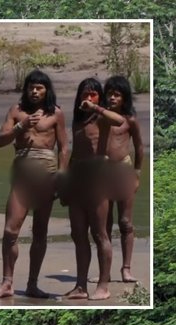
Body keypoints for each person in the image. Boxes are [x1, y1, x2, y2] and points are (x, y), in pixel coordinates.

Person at [0, 70, 68, 299]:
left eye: (39, 88)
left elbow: (63, 147)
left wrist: (63, 177)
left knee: (40, 232)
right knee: (10, 230)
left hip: (47, 176)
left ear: (46, 90)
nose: (35, 91)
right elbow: (0, 141)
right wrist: (20, 127)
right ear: (26, 89)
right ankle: (7, 283)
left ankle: (32, 284)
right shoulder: (16, 111)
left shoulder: (56, 113)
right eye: (31, 87)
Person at [64, 77, 126, 301]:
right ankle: (81, 286)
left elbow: (119, 120)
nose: (88, 98)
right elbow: (74, 152)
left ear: (99, 96)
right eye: (85, 95)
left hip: (97, 181)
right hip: (77, 181)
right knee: (78, 234)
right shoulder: (77, 120)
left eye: (93, 94)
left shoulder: (102, 117)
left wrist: (97, 107)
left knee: (100, 235)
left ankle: (103, 285)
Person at [102, 75, 144, 283]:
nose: (112, 98)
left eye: (116, 95)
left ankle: (126, 268)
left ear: (124, 98)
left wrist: (137, 173)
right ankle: (105, 271)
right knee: (105, 223)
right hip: (104, 174)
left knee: (126, 222)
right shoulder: (100, 118)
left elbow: (139, 147)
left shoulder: (130, 120)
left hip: (124, 171)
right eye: (109, 94)